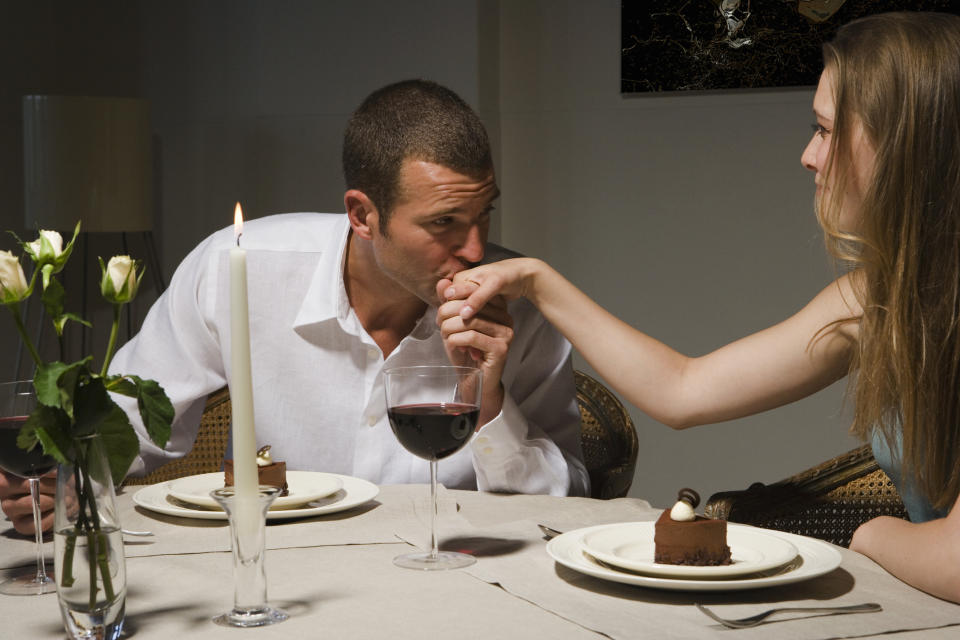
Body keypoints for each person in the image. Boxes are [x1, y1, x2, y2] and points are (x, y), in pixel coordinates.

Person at [438, 12, 960, 602]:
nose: (808, 157)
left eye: (825, 129)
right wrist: (538, 281)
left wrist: (869, 533)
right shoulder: (876, 297)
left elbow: (954, 563)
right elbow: (683, 390)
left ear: (907, 148)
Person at [1, 79, 589, 535]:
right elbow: (130, 417)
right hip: (280, 577)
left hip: (460, 582)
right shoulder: (239, 268)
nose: (476, 248)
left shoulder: (523, 306)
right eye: (444, 223)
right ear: (362, 215)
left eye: (483, 213)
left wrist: (489, 405)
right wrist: (68, 476)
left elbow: (571, 504)